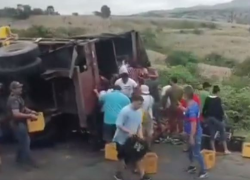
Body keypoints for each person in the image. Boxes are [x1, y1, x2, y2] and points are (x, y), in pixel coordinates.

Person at [113, 94, 150, 180]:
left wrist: (140, 136)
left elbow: (139, 124)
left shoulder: (139, 111)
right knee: (122, 158)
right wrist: (128, 131)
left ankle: (142, 175)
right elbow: (118, 124)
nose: (140, 106)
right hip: (122, 139)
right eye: (138, 104)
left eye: (141, 104)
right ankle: (118, 174)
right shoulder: (125, 111)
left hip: (134, 139)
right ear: (133, 102)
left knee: (138, 156)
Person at [7, 81, 38, 168]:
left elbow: (23, 108)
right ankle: (26, 162)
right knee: (25, 142)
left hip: (20, 123)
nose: (21, 89)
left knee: (22, 142)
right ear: (13, 89)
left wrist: (31, 111)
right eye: (18, 88)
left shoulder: (18, 98)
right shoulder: (13, 99)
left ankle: (19, 159)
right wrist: (30, 116)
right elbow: (16, 114)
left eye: (21, 87)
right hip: (17, 124)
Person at [179, 85, 207, 179]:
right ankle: (192, 166)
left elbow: (194, 123)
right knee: (191, 151)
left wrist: (191, 136)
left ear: (186, 95)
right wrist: (181, 108)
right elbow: (187, 111)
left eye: (183, 94)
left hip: (194, 133)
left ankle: (203, 170)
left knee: (196, 152)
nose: (182, 95)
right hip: (190, 132)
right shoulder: (193, 104)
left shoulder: (192, 108)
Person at [202, 85, 231, 154]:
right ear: (218, 91)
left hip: (209, 118)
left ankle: (213, 150)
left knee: (212, 133)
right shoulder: (218, 99)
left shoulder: (207, 98)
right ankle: (226, 150)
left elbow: (204, 109)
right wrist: (222, 118)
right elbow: (220, 110)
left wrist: (205, 117)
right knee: (222, 132)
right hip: (217, 119)